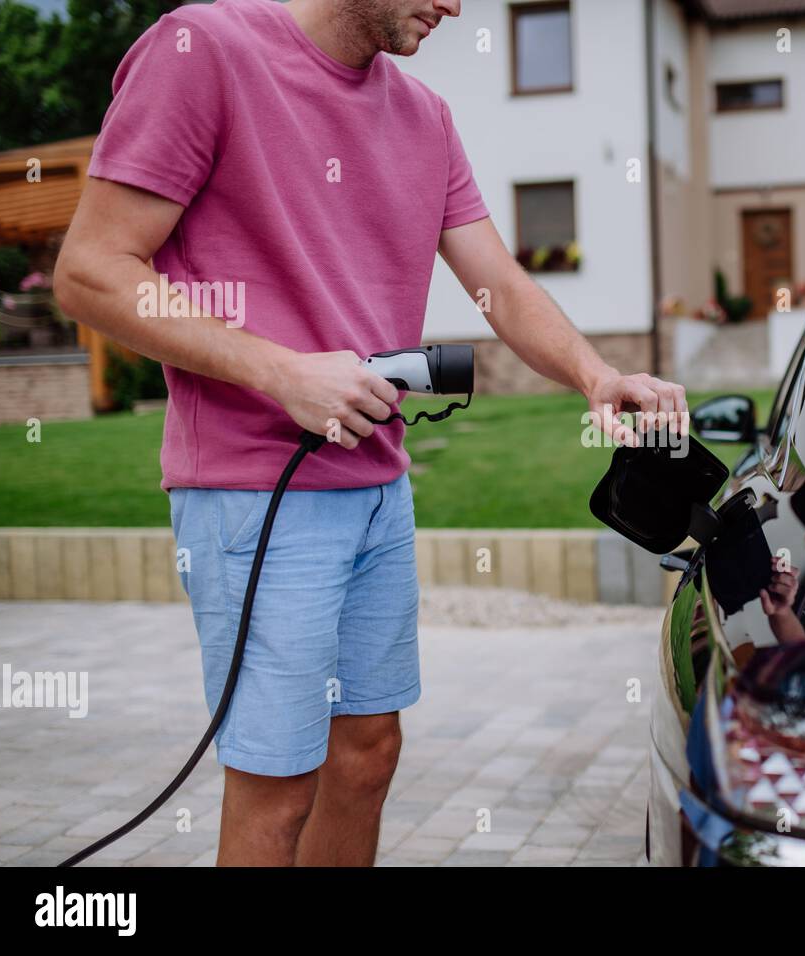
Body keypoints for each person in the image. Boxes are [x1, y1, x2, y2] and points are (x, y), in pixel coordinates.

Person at [54, 0, 686, 866]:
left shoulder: (424, 115)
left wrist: (596, 375)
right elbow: (92, 273)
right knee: (277, 788)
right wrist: (280, 371)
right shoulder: (203, 50)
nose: (457, 6)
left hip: (376, 491)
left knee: (367, 753)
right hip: (255, 493)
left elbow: (495, 278)